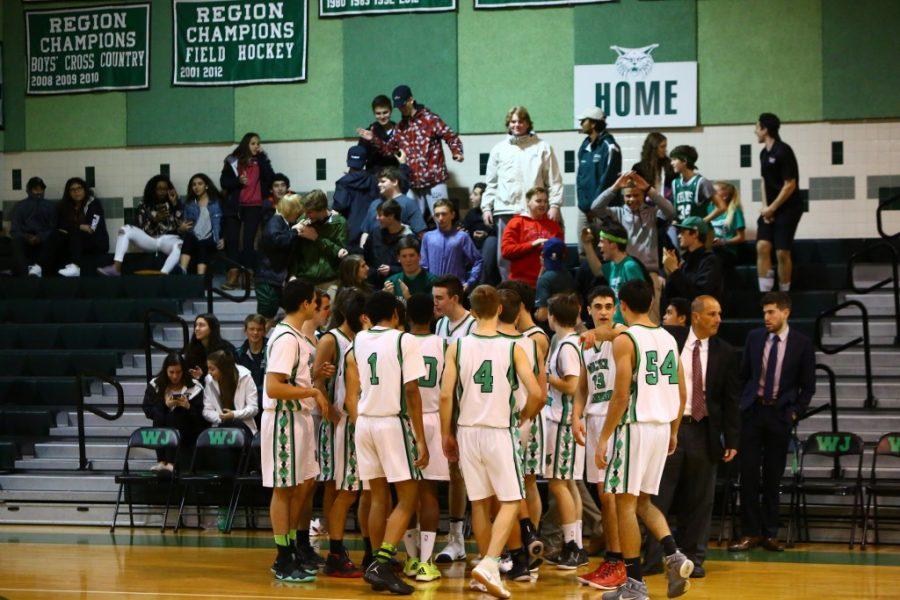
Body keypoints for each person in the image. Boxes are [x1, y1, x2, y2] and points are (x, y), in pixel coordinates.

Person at [439, 285, 544, 599]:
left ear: (471, 312)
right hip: (498, 430)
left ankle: (481, 574)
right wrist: (524, 415)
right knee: (512, 500)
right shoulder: (514, 348)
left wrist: (447, 433)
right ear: (499, 309)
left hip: (467, 430)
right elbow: (537, 394)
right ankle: (489, 563)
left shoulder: (457, 346)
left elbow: (446, 395)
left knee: (480, 503)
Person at [594, 280, 694, 600]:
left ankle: (634, 585)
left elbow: (621, 394)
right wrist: (675, 430)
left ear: (622, 305)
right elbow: (681, 392)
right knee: (643, 502)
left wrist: (604, 436)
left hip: (633, 427)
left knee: (624, 504)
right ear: (651, 303)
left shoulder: (626, 340)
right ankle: (674, 554)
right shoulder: (667, 337)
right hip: (662, 426)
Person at [643, 295, 739, 578]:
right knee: (658, 496)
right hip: (669, 426)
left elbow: (731, 399)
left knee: (700, 499)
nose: (718, 319)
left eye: (719, 313)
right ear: (695, 316)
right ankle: (651, 559)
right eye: (712, 313)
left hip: (704, 428)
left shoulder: (726, 352)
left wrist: (732, 439)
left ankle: (693, 559)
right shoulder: (670, 338)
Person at [344, 291, 429, 595]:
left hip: (364, 423)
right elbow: (412, 393)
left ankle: (376, 561)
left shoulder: (360, 339)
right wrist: (421, 439)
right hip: (391, 422)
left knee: (379, 497)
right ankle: (381, 562)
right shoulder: (404, 340)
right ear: (395, 313)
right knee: (409, 496)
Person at [730, 291, 815, 553]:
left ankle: (770, 532)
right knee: (749, 474)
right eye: (764, 312)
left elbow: (808, 386)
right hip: (753, 412)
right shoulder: (755, 337)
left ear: (785, 312)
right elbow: (744, 375)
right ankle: (749, 532)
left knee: (773, 476)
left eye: (771, 312)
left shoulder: (801, 343)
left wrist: (794, 412)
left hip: (779, 414)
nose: (766, 317)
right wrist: (742, 403)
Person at [261, 279, 330, 582]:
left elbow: (295, 379)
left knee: (301, 484)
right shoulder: (286, 338)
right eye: (316, 300)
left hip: (298, 419)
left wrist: (312, 381)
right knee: (284, 488)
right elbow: (274, 387)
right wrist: (313, 393)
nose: (317, 306)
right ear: (305, 304)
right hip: (283, 419)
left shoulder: (297, 336)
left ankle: (290, 549)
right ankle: (282, 557)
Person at [574, 287, 628, 591]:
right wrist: (576, 415)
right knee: (603, 495)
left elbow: (617, 329)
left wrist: (599, 333)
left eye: (609, 306)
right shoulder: (586, 345)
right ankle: (614, 559)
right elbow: (582, 386)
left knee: (611, 496)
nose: (605, 311)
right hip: (593, 420)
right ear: (588, 310)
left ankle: (618, 559)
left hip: (614, 420)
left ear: (616, 308)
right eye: (598, 307)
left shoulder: (620, 335)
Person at [313, 288, 369, 578]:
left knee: (344, 487)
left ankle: (337, 548)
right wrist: (327, 408)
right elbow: (315, 377)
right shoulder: (331, 338)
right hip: (339, 421)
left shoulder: (359, 340)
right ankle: (334, 549)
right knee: (336, 487)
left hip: (351, 420)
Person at [495, 288, 546, 576]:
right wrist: (528, 416)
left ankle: (516, 545)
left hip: (505, 421)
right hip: (530, 418)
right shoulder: (532, 343)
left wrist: (520, 416)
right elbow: (542, 390)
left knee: (502, 492)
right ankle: (530, 533)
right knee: (525, 482)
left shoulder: (497, 343)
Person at [482, 107, 564, 279]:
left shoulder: (543, 147)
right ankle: (510, 294)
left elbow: (554, 179)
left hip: (534, 212)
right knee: (505, 257)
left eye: (521, 121)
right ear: (508, 124)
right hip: (505, 210)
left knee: (537, 253)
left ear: (528, 123)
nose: (517, 125)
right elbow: (491, 182)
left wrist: (555, 204)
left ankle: (539, 292)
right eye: (513, 121)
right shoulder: (499, 149)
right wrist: (486, 207)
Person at [357, 85, 464, 218]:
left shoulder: (430, 119)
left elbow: (450, 136)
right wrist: (373, 138)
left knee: (442, 219)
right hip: (412, 183)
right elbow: (389, 149)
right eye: (398, 106)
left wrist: (457, 151)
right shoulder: (400, 127)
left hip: (434, 181)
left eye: (403, 104)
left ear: (411, 100)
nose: (401, 108)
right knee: (410, 221)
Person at [404, 293, 449, 582]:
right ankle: (425, 561)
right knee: (429, 492)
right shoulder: (444, 344)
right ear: (433, 316)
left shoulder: (399, 343)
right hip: (434, 416)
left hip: (406, 419)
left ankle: (409, 558)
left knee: (406, 493)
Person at [590, 171, 676, 321]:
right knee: (622, 320)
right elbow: (595, 207)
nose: (632, 199)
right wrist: (616, 186)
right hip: (623, 272)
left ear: (643, 195)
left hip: (649, 275)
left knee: (650, 322)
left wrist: (649, 189)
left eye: (637, 195)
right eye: (628, 196)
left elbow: (671, 211)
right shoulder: (617, 213)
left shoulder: (652, 213)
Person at [432, 274, 475, 563]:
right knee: (454, 473)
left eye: (439, 298)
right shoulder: (440, 324)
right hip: (448, 406)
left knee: (478, 475)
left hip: (472, 406)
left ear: (455, 299)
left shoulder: (473, 325)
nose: (435, 303)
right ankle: (456, 537)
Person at [543, 293, 588, 570]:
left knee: (559, 484)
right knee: (569, 484)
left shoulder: (568, 346)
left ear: (552, 317)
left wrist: (545, 377)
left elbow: (572, 386)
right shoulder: (568, 342)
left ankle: (572, 546)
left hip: (563, 422)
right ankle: (577, 546)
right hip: (566, 420)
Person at [98, 175, 188, 276]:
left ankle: (163, 273)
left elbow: (180, 227)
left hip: (168, 240)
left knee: (180, 245)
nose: (162, 192)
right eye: (159, 189)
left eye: (165, 189)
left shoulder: (175, 203)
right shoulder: (144, 205)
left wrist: (175, 204)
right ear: (153, 190)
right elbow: (143, 228)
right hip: (149, 239)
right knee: (125, 229)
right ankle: (116, 268)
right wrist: (155, 220)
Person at [219, 132, 275, 288]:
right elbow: (224, 182)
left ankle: (248, 276)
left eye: (258, 143)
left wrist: (263, 158)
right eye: (253, 143)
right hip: (235, 206)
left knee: (249, 242)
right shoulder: (233, 160)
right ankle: (233, 276)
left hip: (254, 206)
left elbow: (270, 178)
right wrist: (238, 181)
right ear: (245, 144)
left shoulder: (261, 161)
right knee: (232, 241)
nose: (256, 146)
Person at [755, 113, 802, 293]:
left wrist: (773, 208)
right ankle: (766, 294)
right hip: (771, 209)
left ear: (765, 129)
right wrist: (766, 209)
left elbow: (790, 184)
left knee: (782, 252)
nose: (755, 131)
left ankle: (784, 293)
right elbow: (763, 181)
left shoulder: (783, 150)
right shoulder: (763, 154)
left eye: (757, 127)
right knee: (762, 245)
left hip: (789, 208)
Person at [141, 353, 204, 471]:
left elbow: (201, 418)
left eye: (179, 372)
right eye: (171, 372)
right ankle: (163, 461)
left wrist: (188, 407)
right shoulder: (155, 385)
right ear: (165, 371)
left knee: (177, 414)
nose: (175, 376)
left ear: (184, 371)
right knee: (162, 415)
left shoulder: (195, 387)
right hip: (162, 429)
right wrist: (165, 405)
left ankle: (173, 462)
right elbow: (148, 410)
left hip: (187, 435)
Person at [584, 220, 652, 325]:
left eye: (602, 241)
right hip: (616, 326)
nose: (599, 245)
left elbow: (643, 300)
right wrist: (587, 244)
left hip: (628, 327)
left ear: (613, 245)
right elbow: (597, 270)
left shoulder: (629, 266)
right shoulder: (612, 266)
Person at [500, 187, 564, 288]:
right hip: (521, 283)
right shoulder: (515, 223)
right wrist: (533, 244)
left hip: (548, 282)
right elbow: (506, 251)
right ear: (528, 202)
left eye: (545, 201)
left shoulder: (553, 225)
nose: (543, 204)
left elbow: (563, 254)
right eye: (538, 201)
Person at [291, 190, 348, 297]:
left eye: (310, 212)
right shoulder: (303, 220)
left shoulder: (339, 222)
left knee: (328, 311)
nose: (306, 215)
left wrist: (316, 238)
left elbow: (340, 253)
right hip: (305, 279)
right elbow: (295, 251)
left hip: (330, 281)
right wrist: (292, 274)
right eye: (306, 211)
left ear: (322, 209)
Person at [256, 193, 302, 325]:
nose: (299, 214)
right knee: (265, 318)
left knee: (271, 316)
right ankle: (259, 344)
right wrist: (295, 232)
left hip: (274, 277)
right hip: (268, 277)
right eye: (297, 211)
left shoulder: (282, 222)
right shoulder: (275, 221)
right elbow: (276, 241)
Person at [420, 199, 483, 293]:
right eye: (437, 215)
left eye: (444, 214)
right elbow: (423, 266)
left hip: (455, 289)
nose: (440, 218)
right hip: (434, 289)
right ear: (434, 217)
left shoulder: (462, 237)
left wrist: (469, 283)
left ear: (452, 215)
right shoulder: (428, 237)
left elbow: (478, 261)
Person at [662, 217, 724, 306]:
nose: (679, 236)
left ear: (695, 233)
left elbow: (699, 297)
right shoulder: (685, 261)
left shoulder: (710, 261)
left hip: (701, 316)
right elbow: (670, 295)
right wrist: (670, 271)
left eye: (683, 232)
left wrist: (675, 271)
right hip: (684, 315)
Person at [56, 177, 108, 277]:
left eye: (79, 188)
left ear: (85, 190)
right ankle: (39, 268)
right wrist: (78, 226)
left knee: (75, 232)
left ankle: (76, 267)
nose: (76, 192)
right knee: (56, 235)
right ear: (69, 192)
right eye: (73, 190)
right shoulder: (64, 206)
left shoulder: (94, 204)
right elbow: (60, 225)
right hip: (74, 242)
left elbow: (91, 228)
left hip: (96, 242)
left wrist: (73, 227)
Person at [362, 166, 427, 246]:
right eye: (378, 182)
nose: (379, 184)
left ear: (395, 182)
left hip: (398, 251)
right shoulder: (374, 204)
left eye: (383, 181)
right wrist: (363, 250)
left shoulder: (408, 203)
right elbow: (365, 232)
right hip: (375, 252)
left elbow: (421, 234)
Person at [333, 145, 380, 253]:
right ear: (365, 161)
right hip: (372, 228)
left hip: (350, 230)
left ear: (347, 160)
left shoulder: (343, 182)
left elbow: (340, 205)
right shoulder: (375, 181)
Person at [576, 107, 621, 214]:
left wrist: (596, 205)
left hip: (603, 209)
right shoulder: (584, 145)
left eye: (583, 121)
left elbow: (608, 181)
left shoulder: (610, 147)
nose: (581, 123)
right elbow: (580, 178)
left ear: (593, 124)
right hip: (585, 209)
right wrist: (582, 203)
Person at [203, 350, 259, 435]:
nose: (209, 373)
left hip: (243, 427)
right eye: (208, 369)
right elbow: (207, 410)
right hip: (220, 427)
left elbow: (253, 408)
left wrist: (234, 415)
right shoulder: (209, 380)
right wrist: (221, 417)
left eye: (212, 369)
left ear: (223, 369)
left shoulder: (245, 377)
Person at [363, 199, 414, 290]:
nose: (377, 218)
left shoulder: (408, 238)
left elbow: (414, 266)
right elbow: (366, 256)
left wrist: (391, 269)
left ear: (391, 216)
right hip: (376, 286)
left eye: (380, 215)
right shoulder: (375, 233)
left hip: (399, 287)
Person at [10, 176, 56, 277]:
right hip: (25, 237)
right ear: (28, 190)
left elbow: (53, 227)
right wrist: (26, 237)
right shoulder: (19, 206)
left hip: (43, 238)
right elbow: (15, 229)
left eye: (41, 189)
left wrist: (41, 237)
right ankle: (26, 273)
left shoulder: (50, 206)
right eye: (36, 189)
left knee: (53, 238)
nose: (39, 192)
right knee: (16, 240)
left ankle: (38, 270)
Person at [180, 173, 224, 275]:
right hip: (194, 238)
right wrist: (181, 228)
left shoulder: (217, 202)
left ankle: (200, 279)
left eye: (200, 184)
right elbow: (185, 226)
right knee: (189, 238)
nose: (196, 187)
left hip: (211, 239)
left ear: (206, 186)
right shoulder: (189, 204)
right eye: (194, 185)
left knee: (202, 243)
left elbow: (224, 222)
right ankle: (182, 272)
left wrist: (223, 238)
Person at [236, 314, 268, 428]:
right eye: (252, 329)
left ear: (264, 331)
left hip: (267, 402)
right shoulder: (238, 354)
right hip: (246, 403)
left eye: (259, 329)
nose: (255, 333)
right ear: (245, 331)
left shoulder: (272, 350)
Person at [534, 238, 576, 323]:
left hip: (550, 330)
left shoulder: (544, 280)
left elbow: (543, 316)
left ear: (543, 255)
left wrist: (535, 314)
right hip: (567, 325)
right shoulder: (568, 275)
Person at [185, 314, 236, 381]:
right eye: (196, 325)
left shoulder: (226, 348)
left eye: (201, 325)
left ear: (212, 328)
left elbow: (231, 373)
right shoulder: (191, 349)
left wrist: (204, 376)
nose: (197, 328)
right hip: (199, 388)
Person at [359, 94, 401, 176]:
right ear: (374, 113)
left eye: (385, 112)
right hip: (374, 179)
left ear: (391, 111)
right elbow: (361, 158)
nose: (382, 116)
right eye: (378, 113)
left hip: (394, 178)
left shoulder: (399, 131)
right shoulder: (368, 133)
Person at [708, 181, 746, 269]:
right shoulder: (709, 208)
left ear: (724, 196)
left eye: (714, 192)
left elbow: (741, 237)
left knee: (713, 258)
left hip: (728, 252)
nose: (711, 194)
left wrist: (723, 242)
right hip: (712, 250)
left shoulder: (735, 211)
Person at [632, 132, 675, 198]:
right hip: (646, 205)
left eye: (665, 146)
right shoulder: (638, 168)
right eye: (662, 147)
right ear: (653, 148)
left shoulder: (670, 166)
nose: (665, 150)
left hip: (666, 204)